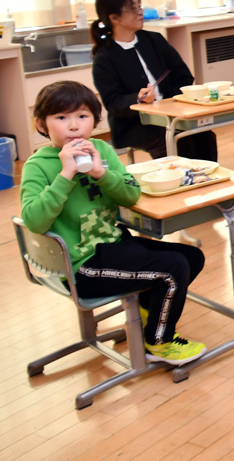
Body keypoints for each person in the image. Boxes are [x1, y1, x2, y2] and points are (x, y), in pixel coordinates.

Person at [20, 81, 206, 364]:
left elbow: (130, 193)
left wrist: (100, 173)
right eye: (61, 117)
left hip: (113, 245)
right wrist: (65, 175)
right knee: (173, 269)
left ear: (94, 120)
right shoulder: (38, 165)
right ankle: (159, 342)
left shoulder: (102, 152)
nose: (73, 127)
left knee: (191, 257)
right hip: (82, 266)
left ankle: (150, 317)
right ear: (41, 124)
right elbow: (33, 221)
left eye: (82, 116)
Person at [90, 0, 217, 161]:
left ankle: (206, 181)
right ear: (114, 18)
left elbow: (183, 76)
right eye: (133, 8)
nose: (140, 12)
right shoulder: (104, 57)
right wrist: (138, 98)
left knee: (203, 135)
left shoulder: (154, 40)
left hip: (172, 113)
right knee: (175, 141)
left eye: (139, 6)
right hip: (135, 124)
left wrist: (170, 102)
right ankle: (180, 184)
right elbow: (113, 102)